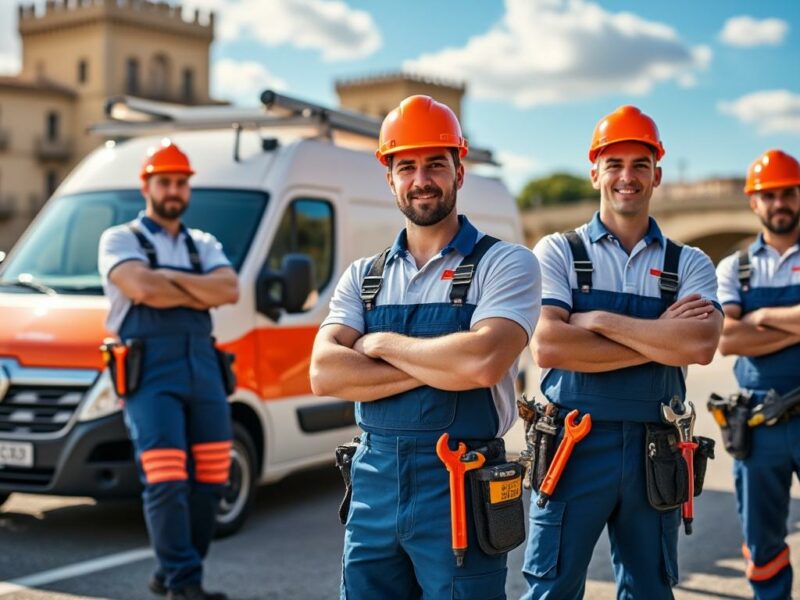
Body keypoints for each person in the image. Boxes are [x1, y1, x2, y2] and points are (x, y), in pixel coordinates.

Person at [310, 95, 541, 599]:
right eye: (407, 167)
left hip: (460, 486)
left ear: (460, 171)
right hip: (374, 485)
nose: (421, 179)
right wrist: (442, 365)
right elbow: (325, 373)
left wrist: (378, 343)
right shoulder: (363, 276)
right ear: (389, 178)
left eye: (436, 164)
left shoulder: (506, 264)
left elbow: (482, 363)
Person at [522, 105, 722, 599]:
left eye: (640, 165)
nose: (627, 177)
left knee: (650, 589)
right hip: (572, 448)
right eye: (614, 164)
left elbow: (700, 344)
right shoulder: (558, 251)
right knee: (550, 589)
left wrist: (598, 321)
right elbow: (548, 344)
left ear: (657, 174)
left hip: (656, 449)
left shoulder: (690, 262)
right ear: (595, 173)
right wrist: (661, 338)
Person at [98, 140, 239, 600]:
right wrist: (196, 289)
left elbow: (229, 289)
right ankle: (184, 583)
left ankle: (172, 571)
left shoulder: (203, 242)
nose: (173, 190)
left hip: (204, 365)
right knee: (166, 478)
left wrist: (166, 280)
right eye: (164, 182)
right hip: (149, 371)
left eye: (181, 182)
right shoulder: (119, 239)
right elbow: (141, 287)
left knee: (213, 477)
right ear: (146, 186)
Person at [716, 149, 800, 600]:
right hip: (758, 423)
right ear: (753, 202)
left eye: (788, 193)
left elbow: (742, 330)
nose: (779, 203)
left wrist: (762, 316)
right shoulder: (735, 267)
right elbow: (727, 338)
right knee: (763, 542)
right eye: (769, 195)